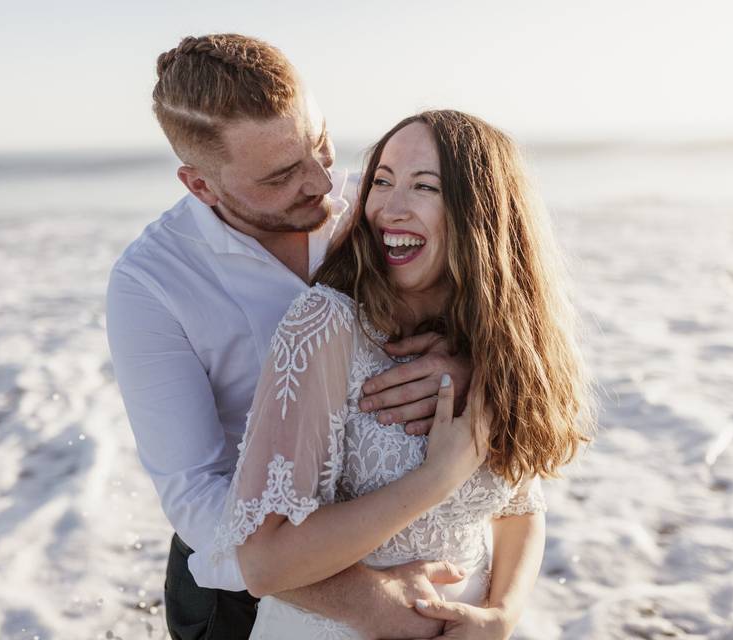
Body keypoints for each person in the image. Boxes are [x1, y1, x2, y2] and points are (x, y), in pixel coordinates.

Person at [106, 34, 473, 640]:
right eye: (280, 177)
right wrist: (353, 591)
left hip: (412, 544)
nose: (324, 183)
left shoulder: (377, 201)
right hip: (242, 594)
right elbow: (195, 492)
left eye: (321, 144)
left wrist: (466, 362)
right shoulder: (150, 284)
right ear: (199, 185)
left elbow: (494, 307)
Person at [213, 110, 594, 638]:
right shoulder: (326, 326)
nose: (388, 209)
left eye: (424, 186)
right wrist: (435, 478)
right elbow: (263, 563)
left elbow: (519, 508)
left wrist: (501, 616)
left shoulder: (495, 344)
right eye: (382, 181)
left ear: (480, 213)